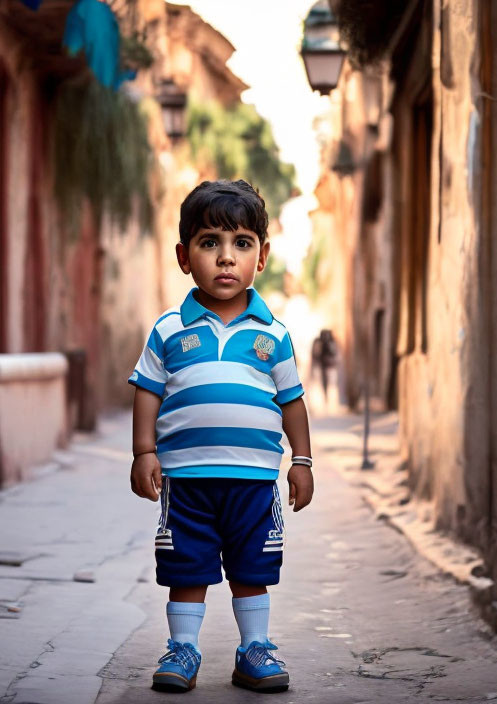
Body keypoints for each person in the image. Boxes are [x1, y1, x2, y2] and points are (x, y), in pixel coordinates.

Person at [127, 180, 313, 693]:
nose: (226, 258)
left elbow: (292, 401)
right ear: (185, 256)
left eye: (241, 244)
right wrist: (145, 450)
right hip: (186, 481)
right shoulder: (168, 330)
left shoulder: (272, 334)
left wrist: (302, 461)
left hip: (253, 481)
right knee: (186, 566)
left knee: (252, 566)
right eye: (210, 243)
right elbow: (148, 390)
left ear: (262, 256)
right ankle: (182, 650)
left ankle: (254, 648)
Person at [311, 328, 338, 406]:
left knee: (331, 383)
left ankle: (328, 399)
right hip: (321, 365)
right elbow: (315, 353)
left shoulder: (331, 342)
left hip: (329, 366)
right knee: (322, 382)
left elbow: (333, 352)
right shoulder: (318, 341)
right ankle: (324, 399)